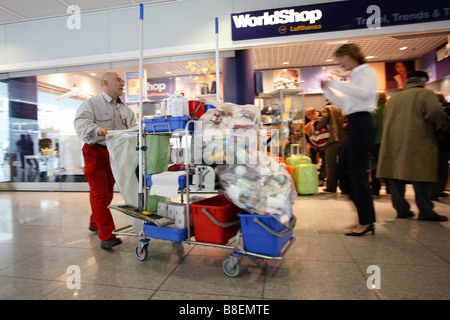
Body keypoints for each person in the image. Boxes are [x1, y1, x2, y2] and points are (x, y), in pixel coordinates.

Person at [74, 71, 137, 249]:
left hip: (116, 154)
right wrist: (98, 130)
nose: (122, 83)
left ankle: (94, 222)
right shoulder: (92, 104)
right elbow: (81, 124)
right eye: (118, 80)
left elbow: (132, 128)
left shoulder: (126, 110)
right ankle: (107, 235)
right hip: (96, 151)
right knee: (100, 193)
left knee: (108, 192)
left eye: (122, 80)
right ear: (106, 83)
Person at [321, 43, 377, 236]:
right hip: (354, 124)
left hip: (362, 124)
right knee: (341, 172)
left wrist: (335, 82)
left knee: (357, 175)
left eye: (341, 58)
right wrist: (327, 91)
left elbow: (365, 94)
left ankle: (366, 220)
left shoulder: (365, 72)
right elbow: (345, 103)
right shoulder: (355, 76)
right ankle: (365, 217)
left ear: (352, 55)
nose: (340, 63)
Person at [377, 71, 448, 222]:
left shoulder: (394, 99)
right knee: (421, 175)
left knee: (396, 176)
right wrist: (440, 123)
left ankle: (401, 209)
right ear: (423, 81)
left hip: (393, 143)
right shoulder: (425, 94)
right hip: (418, 140)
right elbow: (435, 112)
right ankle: (426, 210)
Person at [315, 101, 346, 193]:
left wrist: (317, 126)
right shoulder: (340, 108)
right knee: (343, 163)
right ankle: (344, 187)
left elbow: (324, 119)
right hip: (343, 138)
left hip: (332, 139)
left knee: (331, 163)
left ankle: (331, 186)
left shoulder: (327, 108)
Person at [369, 91, 387, 195]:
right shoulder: (389, 108)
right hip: (389, 142)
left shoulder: (374, 110)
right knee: (388, 165)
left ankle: (376, 188)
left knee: (374, 166)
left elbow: (373, 125)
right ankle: (390, 187)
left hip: (376, 141)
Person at [304, 107, 326, 185]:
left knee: (325, 160)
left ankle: (321, 178)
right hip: (313, 142)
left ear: (314, 113)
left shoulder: (322, 118)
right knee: (311, 159)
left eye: (311, 115)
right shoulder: (307, 122)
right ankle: (311, 177)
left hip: (323, 142)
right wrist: (309, 144)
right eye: (308, 116)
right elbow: (306, 134)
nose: (310, 117)